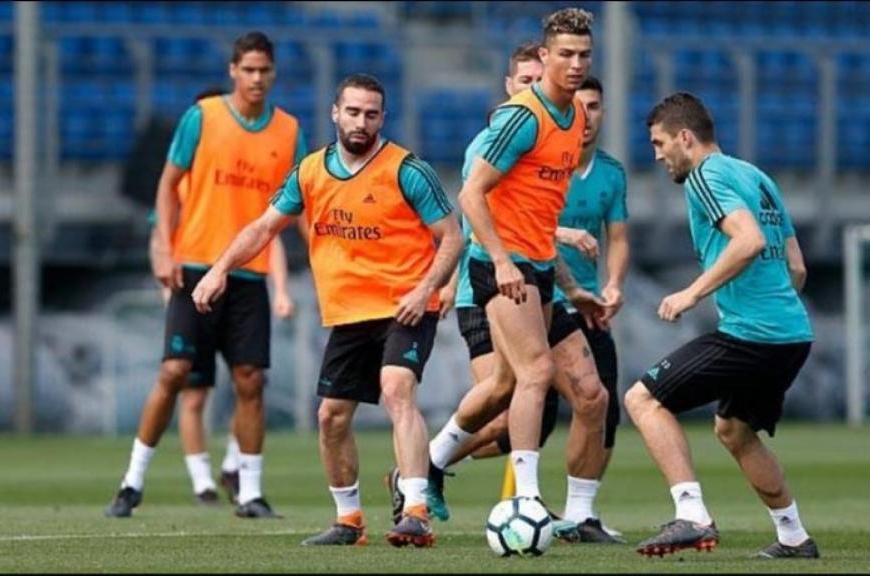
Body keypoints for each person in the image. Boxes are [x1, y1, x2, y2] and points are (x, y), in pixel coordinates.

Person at [192, 74, 463, 548]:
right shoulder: (310, 171)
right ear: (335, 113)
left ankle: (416, 510)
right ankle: (349, 521)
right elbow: (263, 228)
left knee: (397, 388)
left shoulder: (408, 170)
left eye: (372, 114)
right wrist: (218, 270)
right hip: (348, 313)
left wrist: (426, 290)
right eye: (353, 112)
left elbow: (452, 236)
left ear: (383, 117)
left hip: (406, 306)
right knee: (330, 418)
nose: (362, 122)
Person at [105, 31, 305, 519]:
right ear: (234, 71)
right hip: (194, 268)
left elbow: (292, 210)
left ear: (274, 73)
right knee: (174, 374)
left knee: (250, 379)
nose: (257, 78)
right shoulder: (203, 117)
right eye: (249, 69)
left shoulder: (289, 131)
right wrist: (162, 248)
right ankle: (132, 482)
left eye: (265, 70)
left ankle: (251, 490)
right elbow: (168, 184)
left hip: (249, 275)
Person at [429, 7, 606, 523]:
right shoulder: (521, 117)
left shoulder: (574, 118)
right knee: (537, 374)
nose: (575, 64)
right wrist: (503, 262)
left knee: (537, 390)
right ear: (545, 56)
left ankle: (427, 465)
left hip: (541, 268)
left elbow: (536, 210)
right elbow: (470, 193)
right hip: (500, 267)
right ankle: (526, 501)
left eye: (584, 55)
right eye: (566, 55)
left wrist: (570, 287)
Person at [627, 92, 818, 559]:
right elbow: (796, 266)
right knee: (734, 429)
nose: (656, 154)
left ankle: (691, 516)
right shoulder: (757, 176)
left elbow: (748, 241)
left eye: (659, 142)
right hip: (793, 334)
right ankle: (794, 537)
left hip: (753, 334)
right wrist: (773, 309)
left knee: (643, 398)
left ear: (685, 138)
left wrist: (691, 293)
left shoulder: (705, 176)